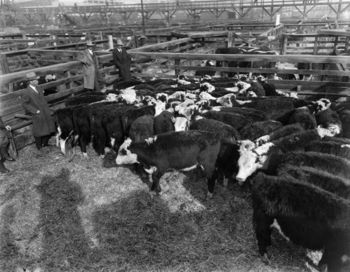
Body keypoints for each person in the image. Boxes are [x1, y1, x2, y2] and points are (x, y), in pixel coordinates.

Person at [20, 72, 56, 150]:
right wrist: (35, 111)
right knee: (38, 130)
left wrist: (47, 109)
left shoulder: (39, 88)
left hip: (45, 111)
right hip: (37, 113)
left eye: (36, 79)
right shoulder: (26, 92)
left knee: (48, 127)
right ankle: (39, 146)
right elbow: (25, 104)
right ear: (30, 82)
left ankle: (45, 144)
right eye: (35, 80)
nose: (37, 81)